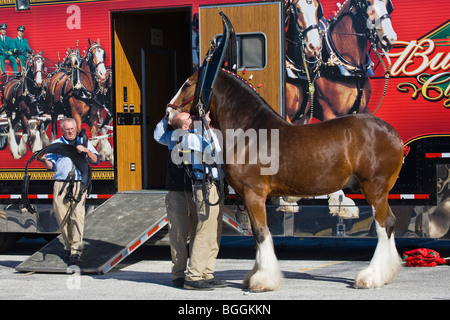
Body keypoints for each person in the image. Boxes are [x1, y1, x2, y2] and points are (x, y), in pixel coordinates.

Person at [154, 112, 225, 290]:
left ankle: (202, 272)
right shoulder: (184, 138)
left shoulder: (195, 135)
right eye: (189, 118)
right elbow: (214, 150)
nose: (193, 117)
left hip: (192, 190)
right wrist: (167, 118)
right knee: (179, 233)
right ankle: (183, 274)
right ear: (184, 127)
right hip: (179, 190)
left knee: (198, 231)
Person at [38, 118, 99, 265]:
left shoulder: (83, 142)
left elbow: (96, 159)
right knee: (61, 217)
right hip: (61, 184)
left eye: (72, 129)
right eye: (67, 130)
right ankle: (68, 244)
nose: (70, 132)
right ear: (62, 130)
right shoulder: (57, 145)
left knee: (77, 216)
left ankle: (75, 251)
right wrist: (43, 160)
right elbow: (50, 166)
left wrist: (85, 150)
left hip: (79, 183)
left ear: (75, 128)